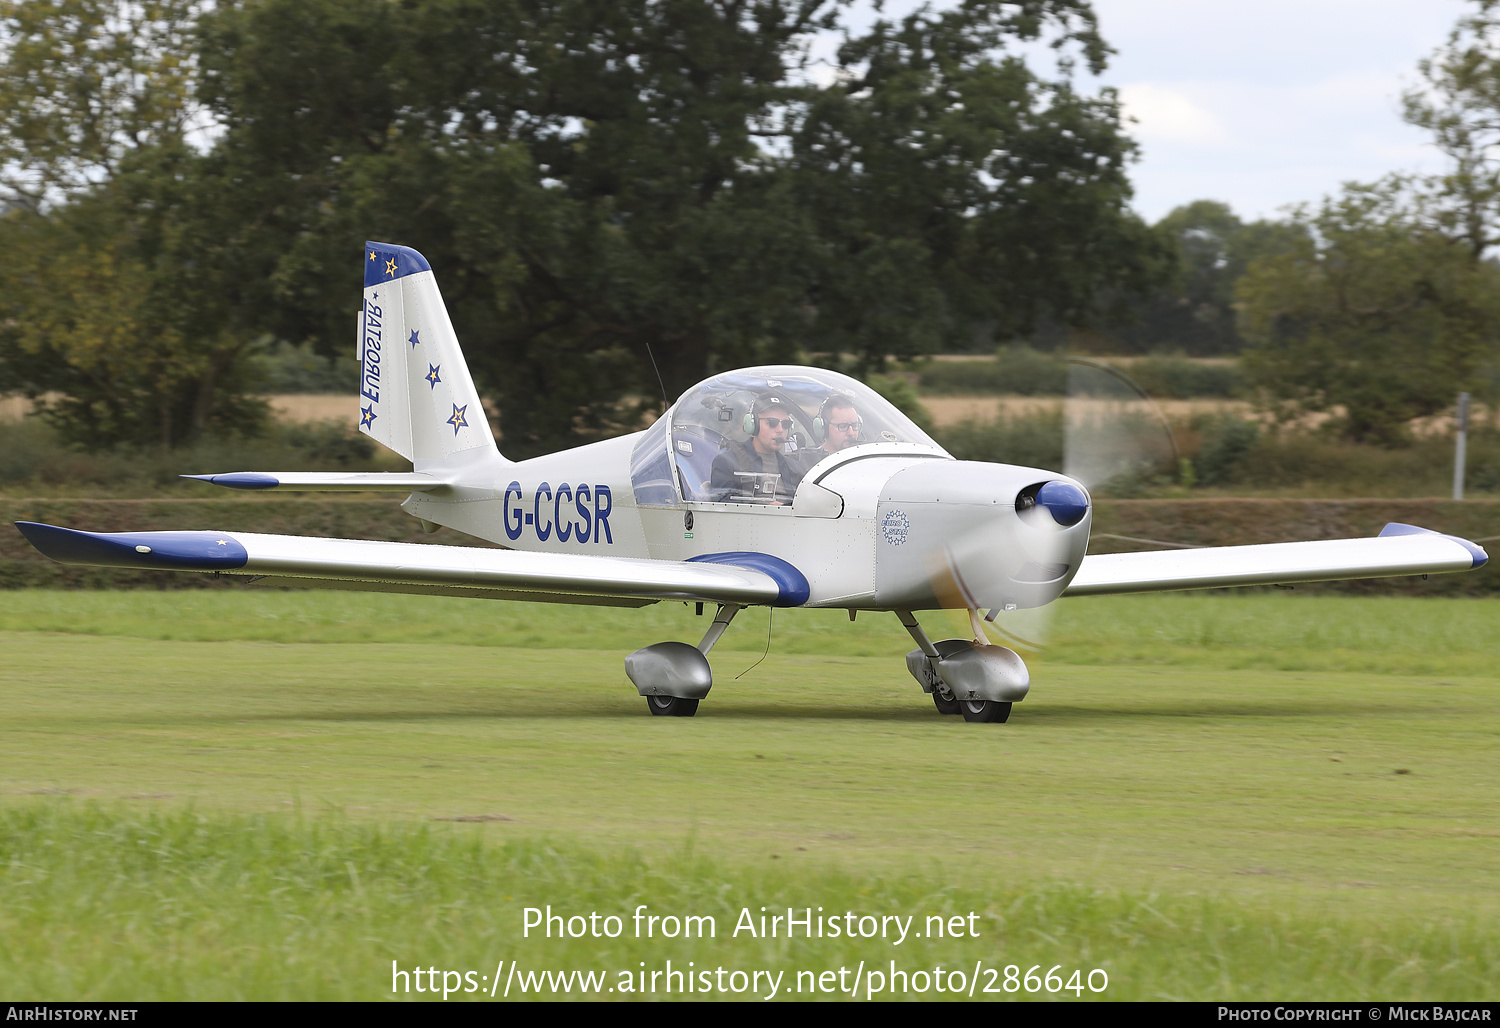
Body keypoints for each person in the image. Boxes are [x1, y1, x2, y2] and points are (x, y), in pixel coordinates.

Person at [709, 393, 806, 504]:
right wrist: (765, 507)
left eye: (786, 424)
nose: (780, 430)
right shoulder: (727, 462)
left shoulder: (794, 468)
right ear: (753, 424)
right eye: (772, 423)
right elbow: (721, 506)